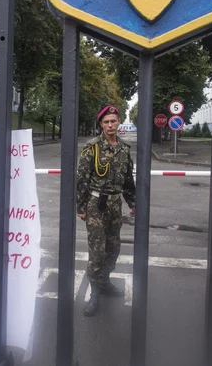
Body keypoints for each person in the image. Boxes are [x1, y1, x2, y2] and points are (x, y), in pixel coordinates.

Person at [77, 105, 136, 317]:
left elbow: (128, 180)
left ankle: (105, 282)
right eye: (106, 122)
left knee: (113, 248)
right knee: (97, 251)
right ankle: (95, 293)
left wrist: (133, 202)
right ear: (101, 124)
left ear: (118, 121)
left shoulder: (124, 149)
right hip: (95, 205)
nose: (110, 125)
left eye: (113, 121)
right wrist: (81, 206)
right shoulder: (91, 147)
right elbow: (82, 179)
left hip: (115, 204)